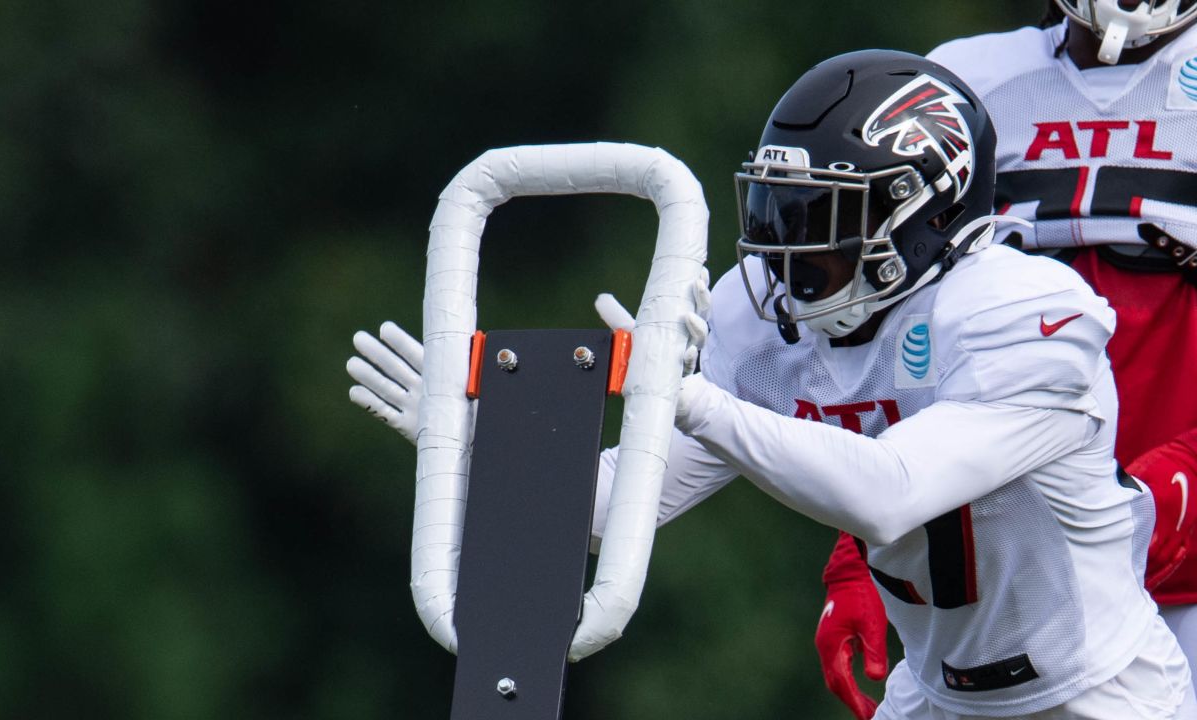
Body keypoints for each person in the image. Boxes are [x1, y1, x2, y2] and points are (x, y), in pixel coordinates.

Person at [350, 49, 1192, 718]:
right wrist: (472, 444)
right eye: (778, 210)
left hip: (1098, 697)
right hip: (933, 698)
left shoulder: (1025, 311)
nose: (787, 252)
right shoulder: (764, 318)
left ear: (923, 211)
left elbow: (890, 495)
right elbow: (613, 510)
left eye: (820, 218)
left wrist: (689, 398)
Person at [813, 4, 1197, 718]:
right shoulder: (967, 80)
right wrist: (857, 549)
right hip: (1010, 588)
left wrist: (1179, 486)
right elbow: (900, 341)